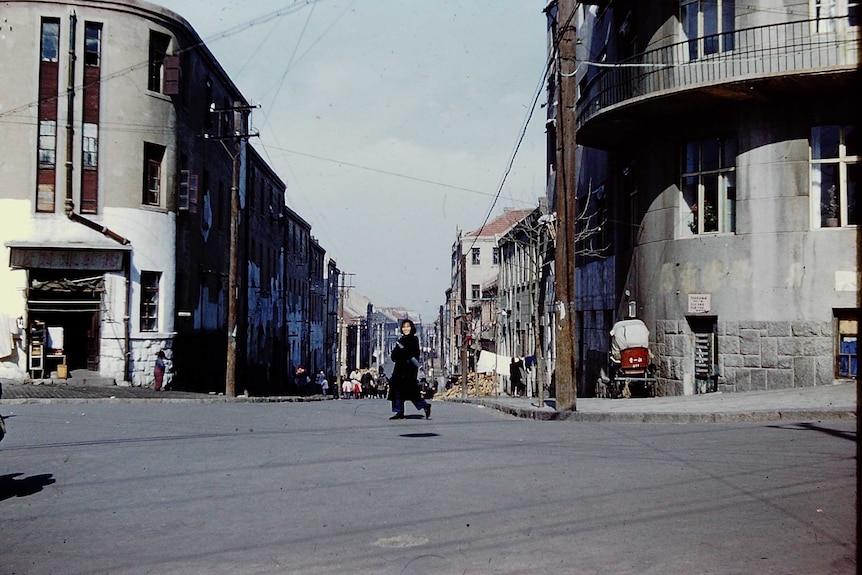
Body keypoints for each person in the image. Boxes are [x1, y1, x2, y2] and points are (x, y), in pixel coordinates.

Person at [388, 319, 431, 420]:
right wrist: (401, 353)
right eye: (404, 327)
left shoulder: (413, 339)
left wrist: (402, 353)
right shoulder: (400, 341)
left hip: (409, 370)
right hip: (398, 370)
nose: (405, 329)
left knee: (411, 392)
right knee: (397, 392)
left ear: (412, 328)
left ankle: (424, 405)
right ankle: (399, 412)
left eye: (408, 327)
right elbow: (394, 356)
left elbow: (412, 354)